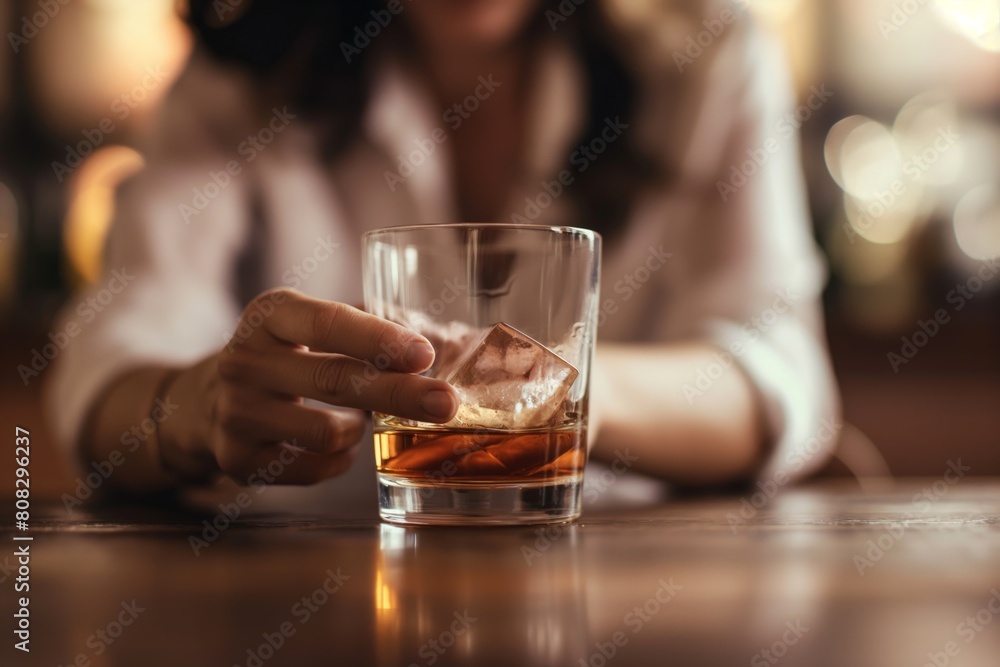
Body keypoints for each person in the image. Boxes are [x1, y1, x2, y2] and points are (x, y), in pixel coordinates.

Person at [47, 0, 840, 510]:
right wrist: (198, 407)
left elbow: (780, 368)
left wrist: (550, 390)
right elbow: (106, 370)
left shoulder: (706, 52)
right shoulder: (245, 75)